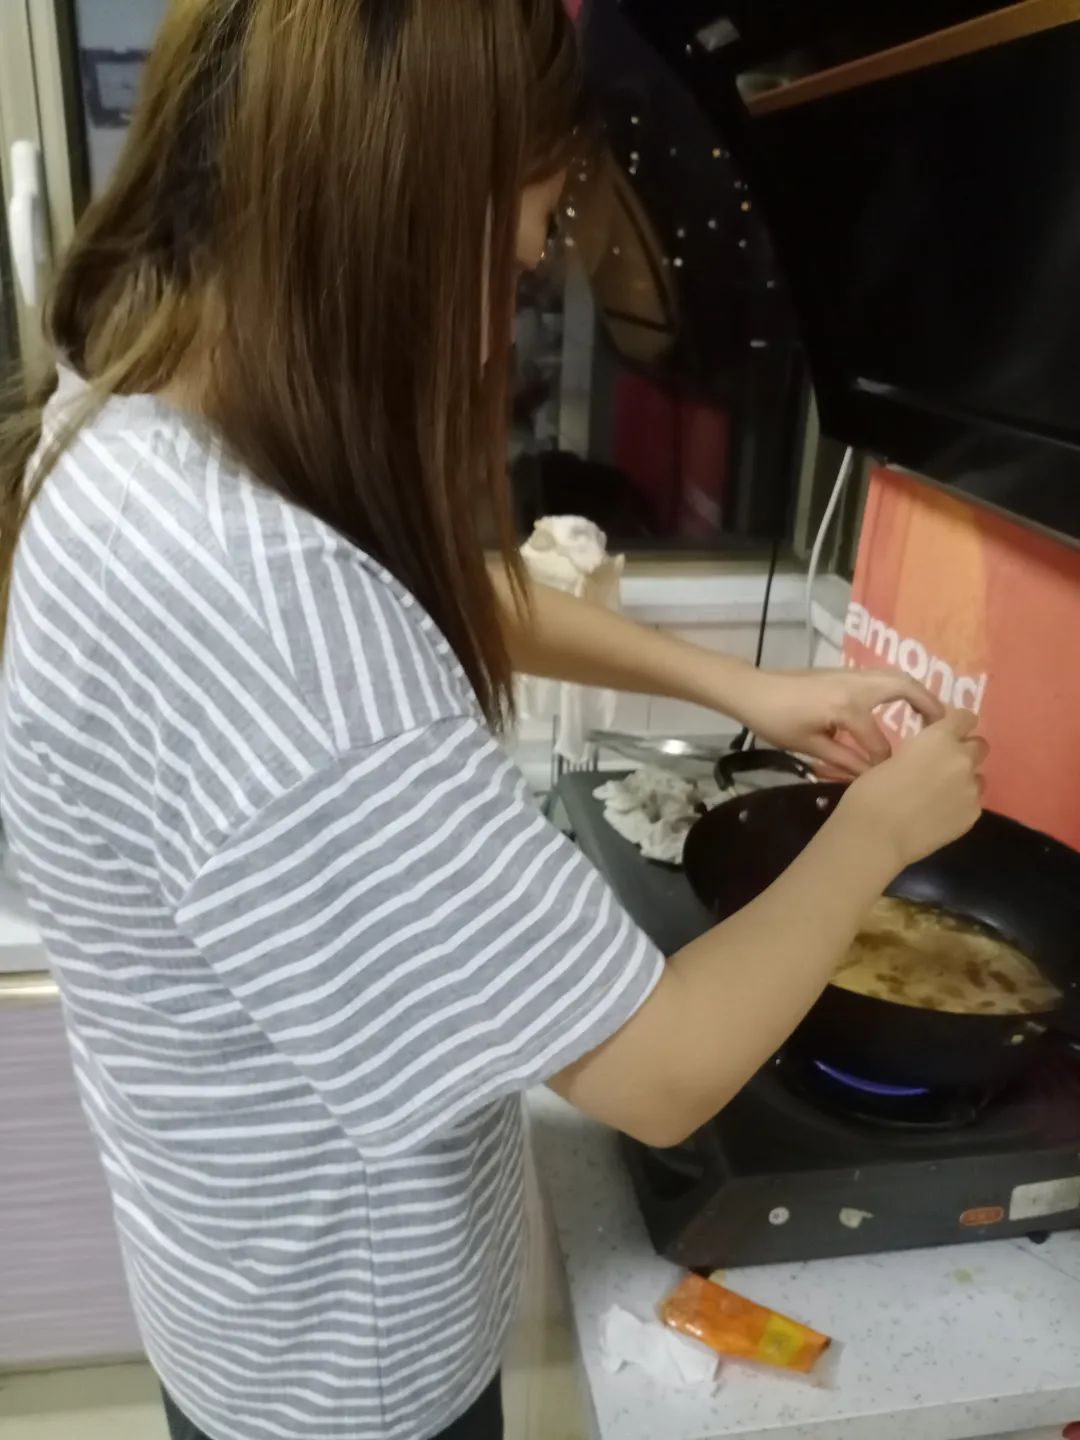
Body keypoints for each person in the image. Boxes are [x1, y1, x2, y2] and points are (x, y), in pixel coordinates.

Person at [0, 3, 985, 1440]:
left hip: (237, 1292)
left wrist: (751, 689)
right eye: (517, 259)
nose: (501, 322)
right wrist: (878, 832)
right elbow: (659, 1074)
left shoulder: (135, 420)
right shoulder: (268, 613)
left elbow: (435, 585)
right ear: (400, 225)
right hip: (348, 1387)